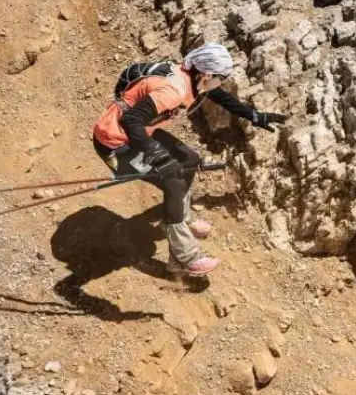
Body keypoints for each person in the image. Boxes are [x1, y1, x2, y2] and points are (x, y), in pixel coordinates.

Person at [91, 42, 287, 276]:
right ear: (206, 74)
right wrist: (157, 154)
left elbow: (219, 96)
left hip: (141, 133)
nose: (221, 82)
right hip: (116, 142)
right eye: (221, 77)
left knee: (189, 158)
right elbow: (131, 120)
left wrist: (254, 115)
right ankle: (184, 258)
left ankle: (181, 218)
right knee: (172, 179)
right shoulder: (173, 91)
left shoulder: (188, 76)